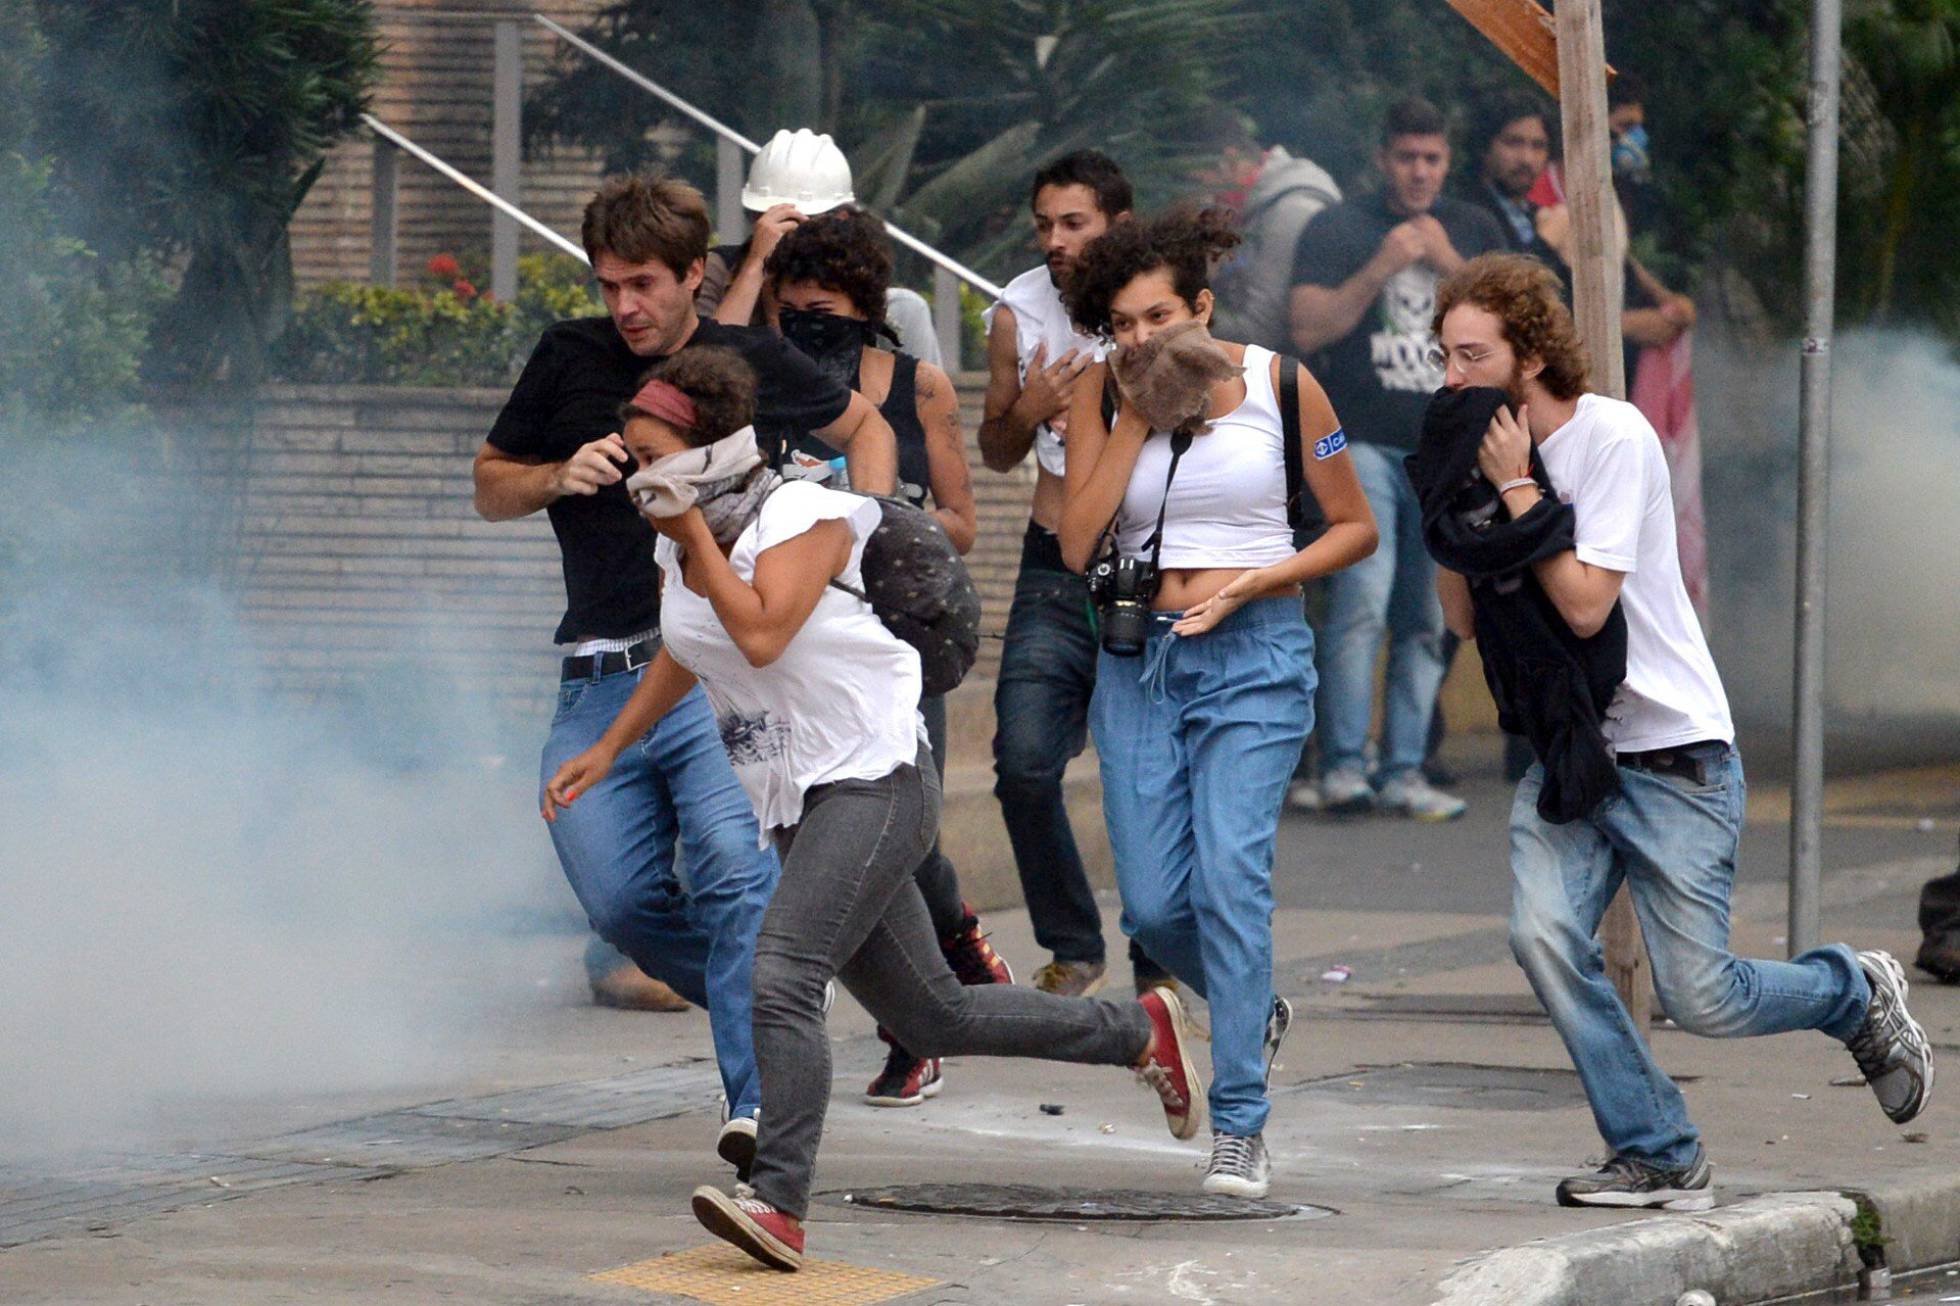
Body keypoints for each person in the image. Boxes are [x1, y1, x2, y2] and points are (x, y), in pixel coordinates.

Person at [541, 347, 1205, 1271]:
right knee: (935, 1017)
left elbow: (762, 632)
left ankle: (776, 1201)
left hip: (875, 774)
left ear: (704, 454)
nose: (636, 474)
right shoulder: (673, 540)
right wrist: (608, 749)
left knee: (782, 970)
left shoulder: (804, 513)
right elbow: (691, 649)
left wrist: (692, 533)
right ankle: (1141, 1032)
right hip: (793, 794)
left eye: (652, 454)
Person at [1430, 252, 1934, 1210]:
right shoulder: (1480, 460)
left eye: (1470, 356)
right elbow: (1461, 620)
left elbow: (1583, 607)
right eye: (1443, 358)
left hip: (1672, 757)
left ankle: (1852, 993)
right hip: (1574, 756)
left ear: (1529, 355)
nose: (1451, 379)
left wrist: (1516, 489)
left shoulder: (1609, 436)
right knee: (1540, 937)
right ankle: (1658, 1150)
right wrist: (1451, 501)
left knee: (1703, 997)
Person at [471, 172, 896, 1182]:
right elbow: (489, 483)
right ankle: (773, 1004)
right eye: (609, 283)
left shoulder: (744, 359)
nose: (625, 305)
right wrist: (551, 476)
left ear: (696, 275)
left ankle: (758, 1112)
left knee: (735, 874)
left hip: (714, 679)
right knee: (615, 902)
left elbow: (869, 433)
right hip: (597, 677)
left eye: (645, 283)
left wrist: (854, 542)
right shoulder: (568, 357)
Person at [1057, 209, 1378, 1198]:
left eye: (1162, 315)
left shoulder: (1280, 382)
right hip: (1138, 661)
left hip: (1256, 652)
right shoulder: (1101, 396)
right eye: (1123, 322)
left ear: (1201, 306)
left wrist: (1252, 579)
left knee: (1231, 877)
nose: (1145, 337)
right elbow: (1077, 545)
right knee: (1154, 903)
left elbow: (1354, 528)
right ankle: (1249, 1003)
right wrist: (1139, 415)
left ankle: (1239, 1121)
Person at [765, 206, 1015, 1108]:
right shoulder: (768, 381)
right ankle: (947, 963)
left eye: (823, 309)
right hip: (791, 641)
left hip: (892, 640)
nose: (806, 326)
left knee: (902, 838)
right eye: (789, 308)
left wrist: (871, 508)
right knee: (821, 841)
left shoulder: (920, 389)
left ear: (866, 307)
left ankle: (921, 1017)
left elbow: (961, 520)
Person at [978, 151, 1171, 998]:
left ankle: (1161, 959)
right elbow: (995, 449)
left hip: (1151, 564)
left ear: (1118, 226)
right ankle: (1073, 945)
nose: (1055, 242)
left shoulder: (1156, 310)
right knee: (1022, 762)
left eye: (1074, 224)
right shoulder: (1016, 316)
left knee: (1149, 771)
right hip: (1053, 564)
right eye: (1044, 226)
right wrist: (1028, 406)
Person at [1288, 97, 1505, 821]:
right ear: (1383, 158)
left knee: (1426, 615)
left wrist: (1450, 265)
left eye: (1432, 159)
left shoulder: (1471, 229)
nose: (1419, 171)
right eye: (1407, 157)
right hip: (1362, 444)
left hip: (1445, 453)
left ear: (1447, 161)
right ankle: (1346, 765)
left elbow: (1521, 328)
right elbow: (1308, 327)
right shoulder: (1340, 227)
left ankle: (1407, 769)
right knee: (1361, 601)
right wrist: (1381, 267)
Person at [695, 127, 940, 366]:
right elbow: (706, 367)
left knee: (908, 307)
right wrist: (756, 268)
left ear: (841, 219)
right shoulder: (719, 269)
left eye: (800, 220)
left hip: (853, 397)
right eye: (770, 219)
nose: (786, 234)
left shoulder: (888, 303)